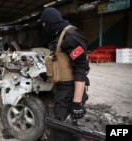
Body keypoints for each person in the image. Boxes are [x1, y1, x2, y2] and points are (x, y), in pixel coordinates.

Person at [40, 7, 90, 141]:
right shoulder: (60, 34)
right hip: (63, 90)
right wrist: (48, 74)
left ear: (50, 21)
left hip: (70, 92)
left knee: (60, 133)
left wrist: (76, 103)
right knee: (68, 131)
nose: (44, 28)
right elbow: (63, 62)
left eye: (45, 24)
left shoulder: (71, 35)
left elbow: (80, 69)